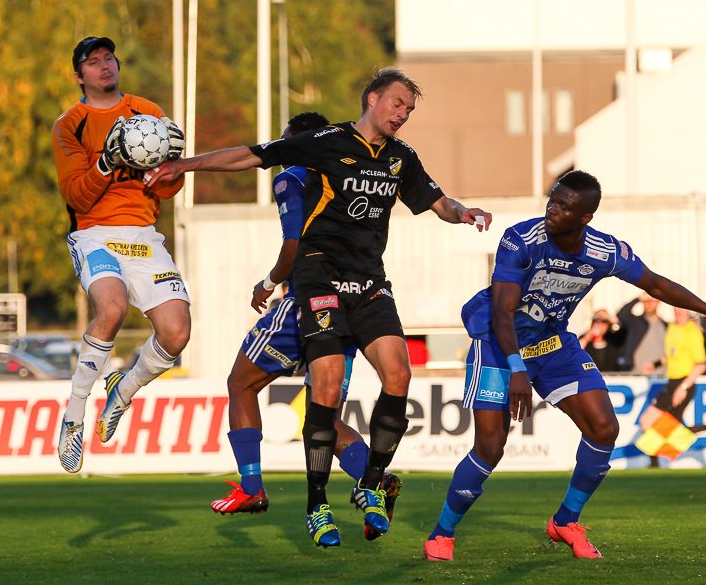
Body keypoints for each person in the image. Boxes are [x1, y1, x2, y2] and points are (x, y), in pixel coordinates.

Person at [146, 67, 493, 547]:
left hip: (370, 282)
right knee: (325, 389)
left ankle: (371, 482)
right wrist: (184, 166)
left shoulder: (400, 158)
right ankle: (317, 506)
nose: (402, 114)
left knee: (399, 375)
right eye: (397, 104)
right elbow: (253, 155)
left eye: (409, 110)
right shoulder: (325, 141)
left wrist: (463, 212)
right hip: (318, 278)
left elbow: (437, 201)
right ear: (371, 98)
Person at [421, 171, 706, 562]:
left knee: (604, 428)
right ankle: (442, 533)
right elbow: (503, 311)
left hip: (552, 343)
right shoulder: (520, 238)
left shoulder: (604, 251)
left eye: (564, 206)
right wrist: (517, 370)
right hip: (498, 342)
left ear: (585, 218)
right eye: (552, 199)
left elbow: (656, 285)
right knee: (491, 447)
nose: (552, 209)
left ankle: (565, 520)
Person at [209, 112, 401, 540]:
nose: (281, 152)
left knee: (240, 383)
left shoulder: (294, 175)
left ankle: (252, 488)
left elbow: (294, 245)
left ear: (300, 141)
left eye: (285, 142)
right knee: (323, 418)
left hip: (307, 302)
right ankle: (377, 480)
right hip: (353, 306)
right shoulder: (353, 173)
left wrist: (268, 281)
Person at [51, 37, 189, 473]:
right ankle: (74, 412)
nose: (104, 66)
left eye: (108, 58)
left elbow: (172, 187)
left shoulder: (146, 110)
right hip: (94, 233)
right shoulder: (69, 124)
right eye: (93, 63)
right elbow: (76, 196)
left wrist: (168, 167)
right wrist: (107, 163)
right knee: (110, 308)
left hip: (144, 235)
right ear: (80, 76)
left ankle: (121, 393)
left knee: (177, 332)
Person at [638, 307, 706, 469]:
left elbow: (701, 365)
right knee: (671, 429)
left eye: (682, 308)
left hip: (682, 383)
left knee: (647, 421)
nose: (679, 311)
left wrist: (683, 387)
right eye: (676, 307)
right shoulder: (672, 327)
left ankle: (654, 465)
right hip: (673, 381)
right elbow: (673, 354)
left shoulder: (692, 332)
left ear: (688, 311)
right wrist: (655, 364)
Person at [616, 293, 667, 373]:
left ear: (658, 302)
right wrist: (639, 298)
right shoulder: (636, 322)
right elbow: (621, 315)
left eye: (651, 301)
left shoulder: (666, 325)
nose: (648, 304)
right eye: (646, 301)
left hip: (661, 376)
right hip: (638, 375)